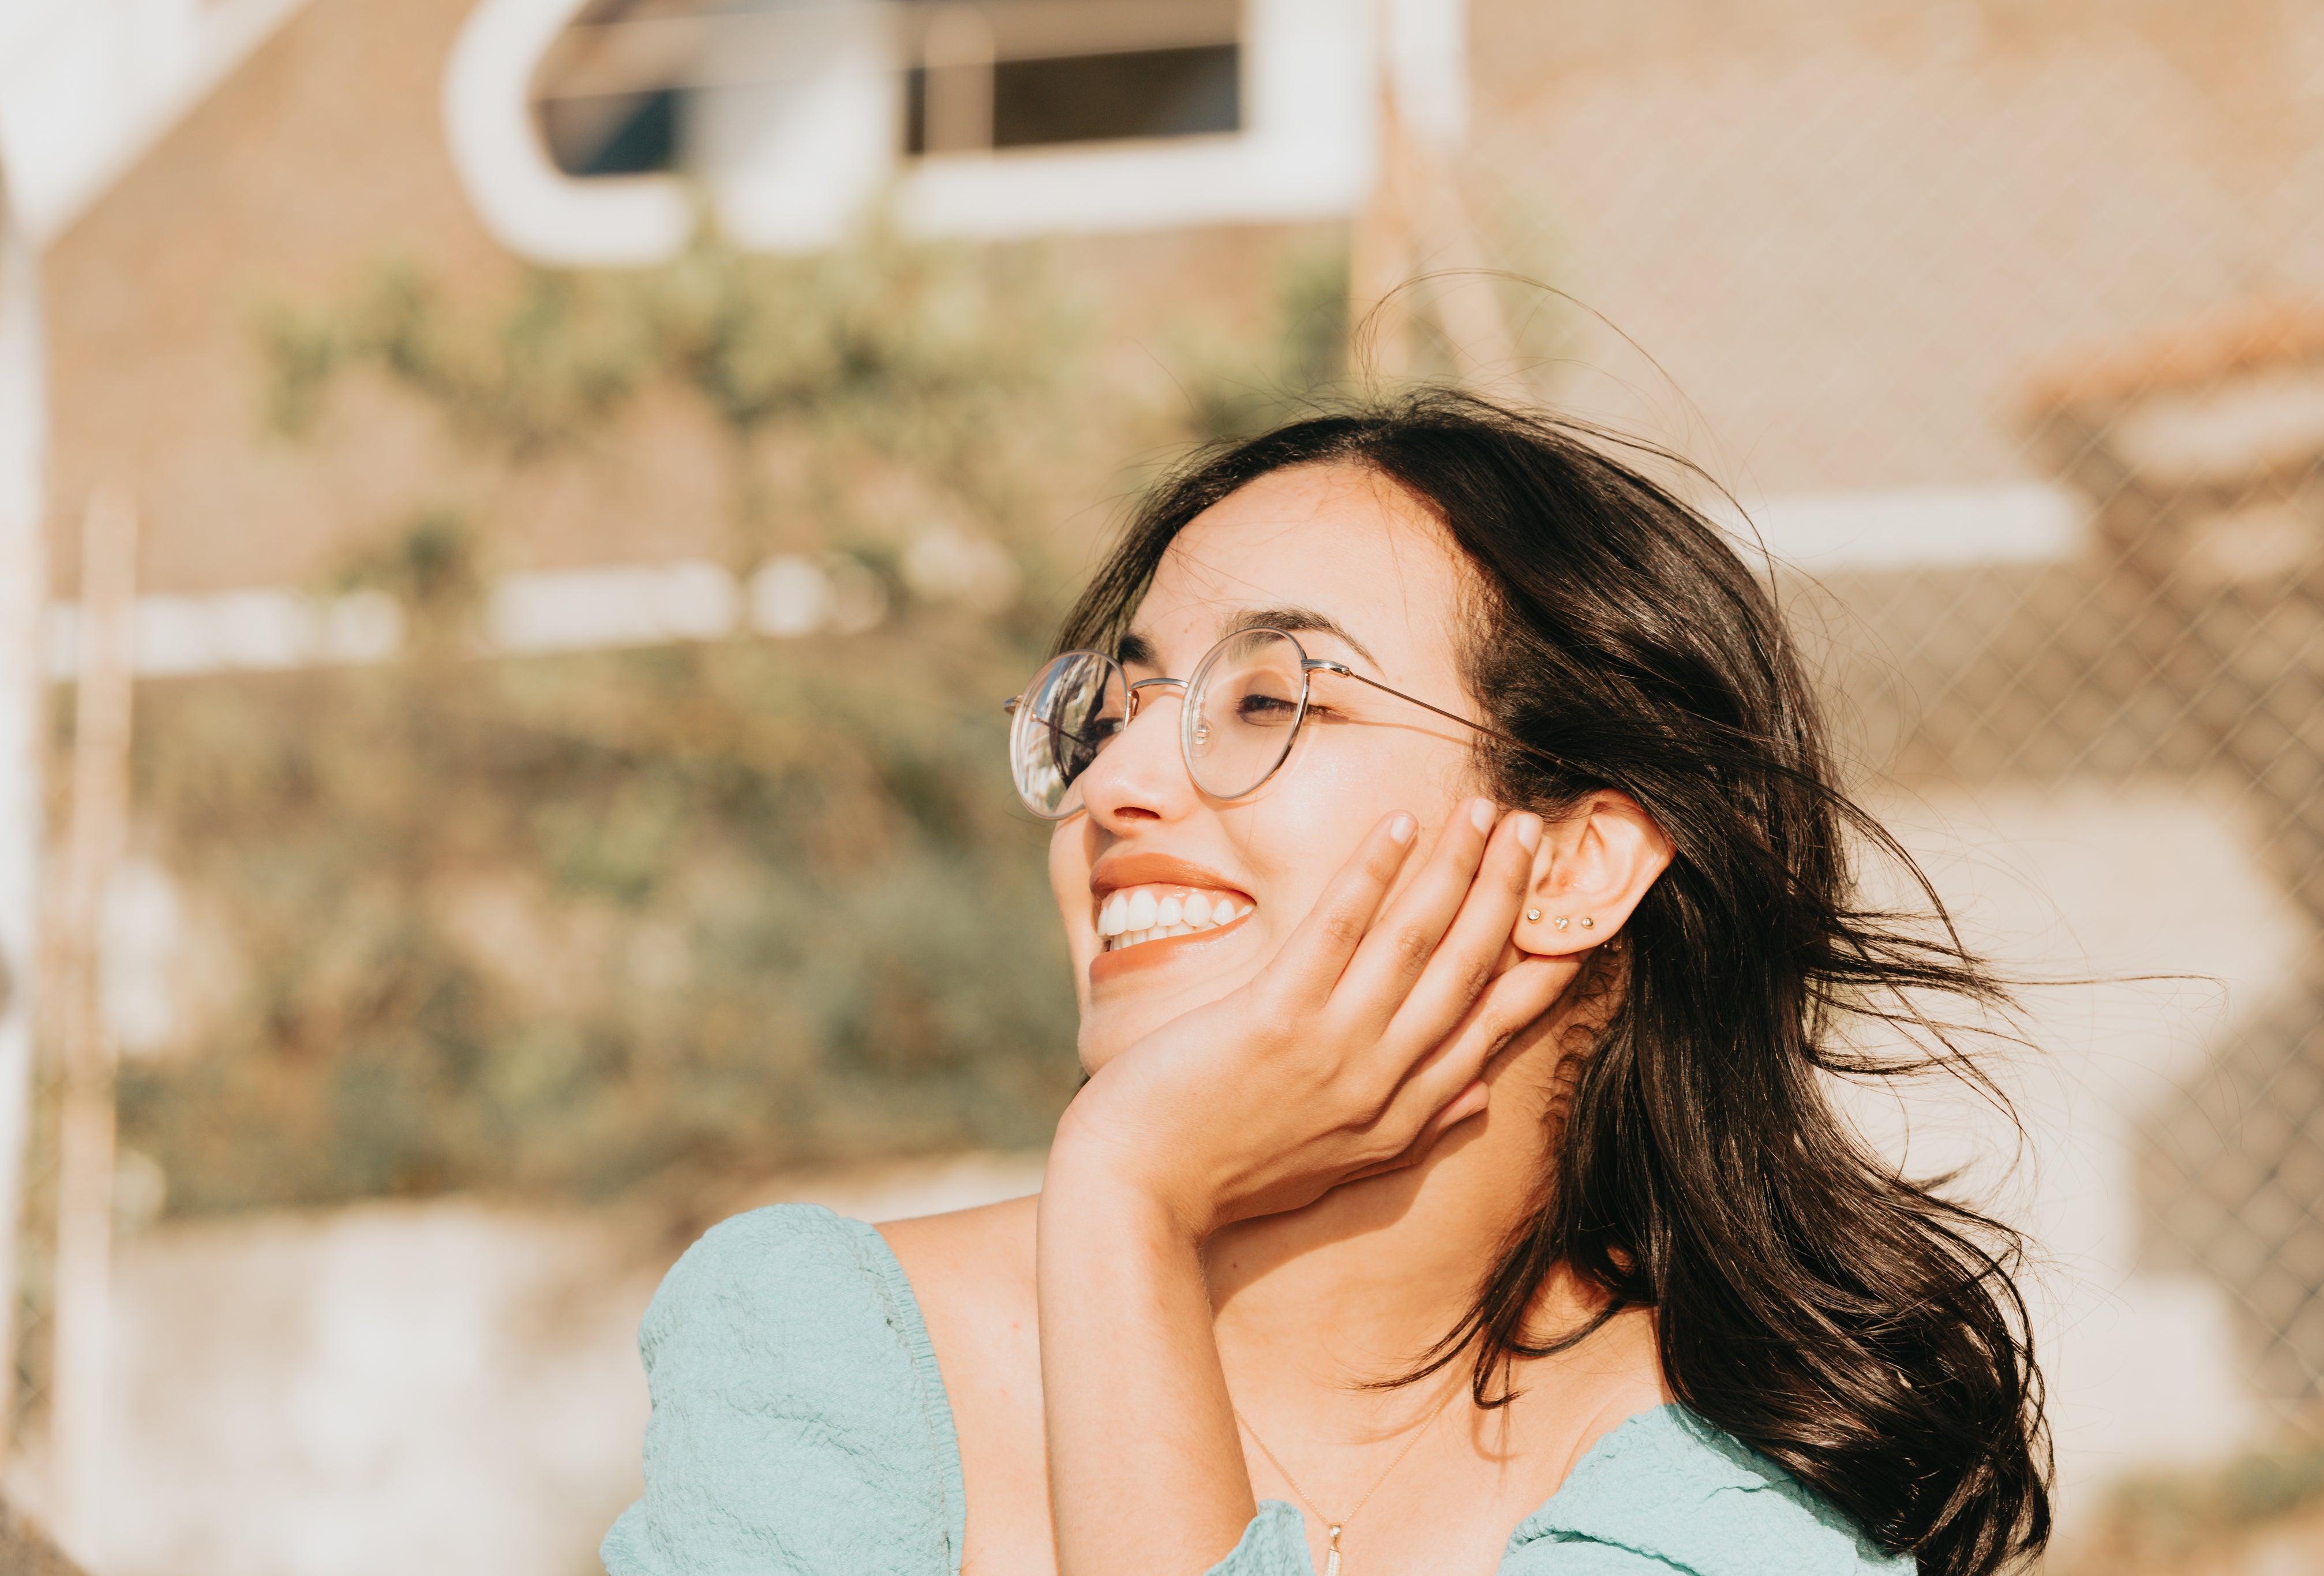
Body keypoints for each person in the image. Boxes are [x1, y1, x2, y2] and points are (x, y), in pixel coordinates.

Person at [601, 391, 2050, 1576]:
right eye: (1110, 711)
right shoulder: (827, 1346)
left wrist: (1122, 1204)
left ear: (1575, 868)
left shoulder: (1728, 1496)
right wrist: (1126, 1200)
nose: (1115, 784)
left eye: (1268, 700)